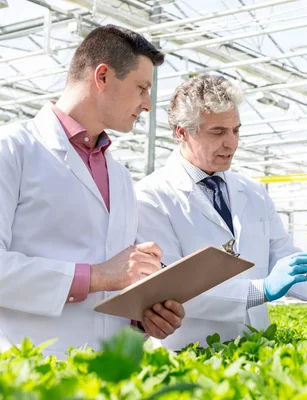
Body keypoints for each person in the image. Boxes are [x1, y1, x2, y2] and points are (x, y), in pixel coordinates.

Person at [0, 25, 185, 358]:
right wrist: (97, 276)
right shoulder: (12, 149)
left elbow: (114, 281)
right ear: (103, 76)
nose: (148, 105)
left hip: (108, 375)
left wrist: (143, 315)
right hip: (32, 374)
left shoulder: (121, 176)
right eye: (142, 88)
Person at [135, 75, 307, 351]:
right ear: (182, 132)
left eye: (236, 130)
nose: (232, 143)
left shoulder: (253, 192)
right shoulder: (152, 196)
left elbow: (283, 256)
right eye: (218, 132)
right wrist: (260, 290)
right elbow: (170, 291)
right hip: (191, 357)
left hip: (256, 350)